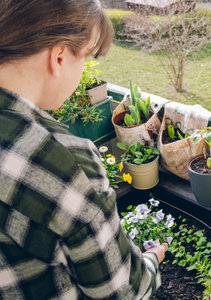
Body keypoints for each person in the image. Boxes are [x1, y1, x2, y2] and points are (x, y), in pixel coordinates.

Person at [0, 0, 167, 299]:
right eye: (87, 57)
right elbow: (124, 292)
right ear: (60, 57)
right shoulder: (64, 163)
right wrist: (152, 260)